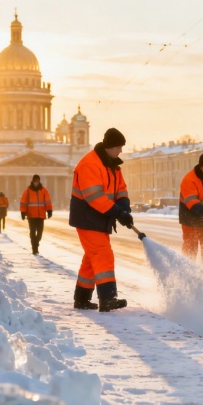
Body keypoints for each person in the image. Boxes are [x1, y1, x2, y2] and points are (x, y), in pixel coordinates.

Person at [69, 127, 132, 312]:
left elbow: (121, 190)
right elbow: (94, 197)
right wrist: (117, 213)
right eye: (119, 147)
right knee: (103, 255)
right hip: (87, 217)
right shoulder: (90, 164)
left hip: (99, 217)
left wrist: (125, 209)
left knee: (91, 259)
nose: (121, 150)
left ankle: (81, 299)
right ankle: (108, 299)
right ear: (110, 147)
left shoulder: (112, 165)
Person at [20, 174, 53, 255]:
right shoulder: (27, 191)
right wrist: (23, 212)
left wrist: (49, 210)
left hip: (40, 215)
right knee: (32, 232)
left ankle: (36, 243)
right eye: (35, 181)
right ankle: (34, 248)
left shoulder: (44, 190)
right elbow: (23, 202)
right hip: (31, 215)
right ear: (33, 181)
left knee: (40, 232)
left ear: (39, 181)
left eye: (37, 181)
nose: (36, 183)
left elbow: (48, 201)